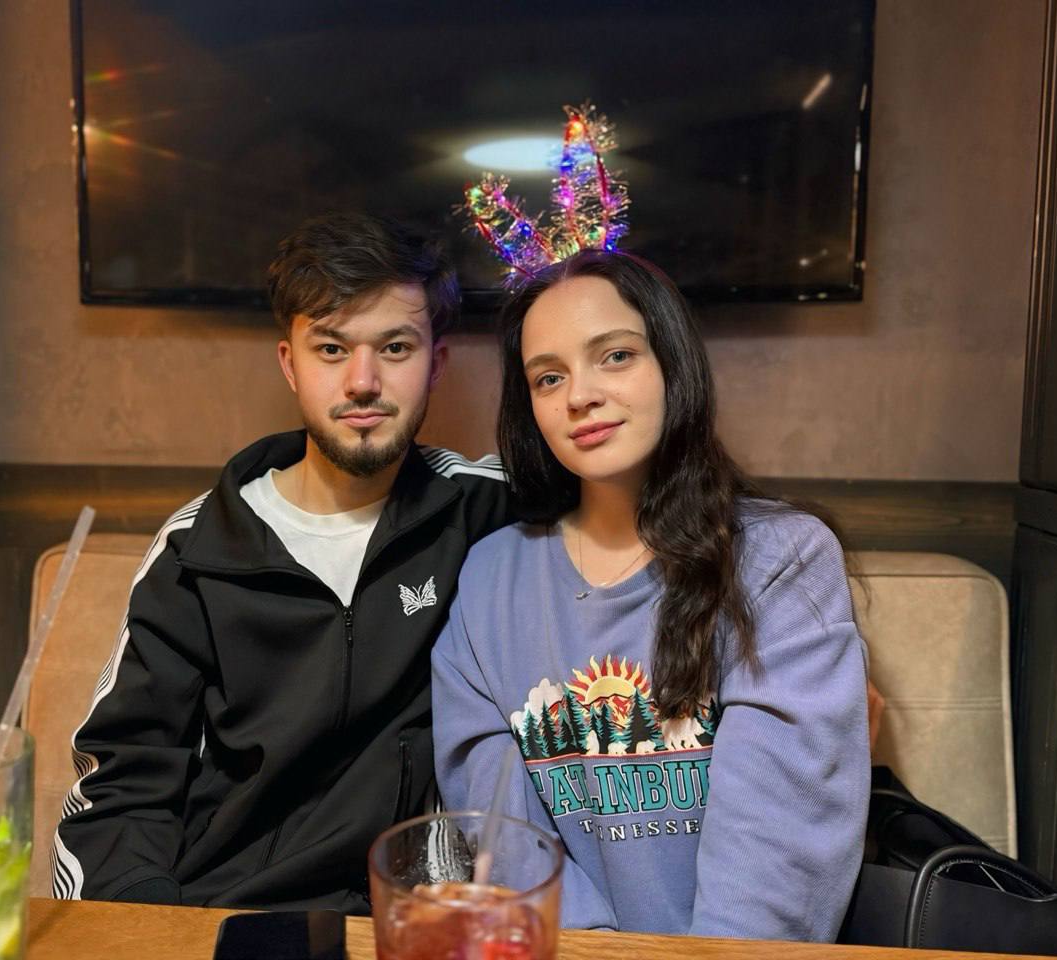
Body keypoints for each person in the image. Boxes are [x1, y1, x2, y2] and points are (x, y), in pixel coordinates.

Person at [54, 213, 510, 910]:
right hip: (229, 912)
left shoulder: (482, 512)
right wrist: (159, 935)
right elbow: (118, 789)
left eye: (395, 347)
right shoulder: (198, 549)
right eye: (331, 348)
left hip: (406, 919)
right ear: (290, 363)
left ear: (437, 364)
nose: (363, 381)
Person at [432, 250, 870, 939]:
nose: (580, 396)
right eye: (549, 377)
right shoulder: (491, 577)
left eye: (615, 356)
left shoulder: (782, 559)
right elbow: (502, 835)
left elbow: (778, 860)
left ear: (672, 363)